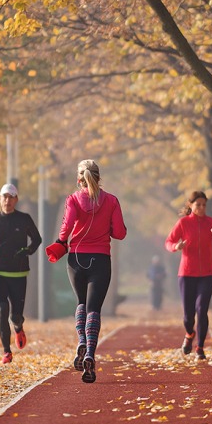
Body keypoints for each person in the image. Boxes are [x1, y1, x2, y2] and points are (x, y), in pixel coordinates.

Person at [49, 159, 127, 383]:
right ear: (98, 177)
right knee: (94, 308)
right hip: (101, 259)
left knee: (81, 302)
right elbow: (120, 233)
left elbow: (67, 227)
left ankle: (81, 339)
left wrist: (60, 241)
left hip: (76, 259)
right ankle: (91, 353)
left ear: (79, 179)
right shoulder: (111, 201)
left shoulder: (73, 199)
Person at [164, 190, 212, 360]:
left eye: (204, 205)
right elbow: (168, 242)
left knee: (202, 310)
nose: (201, 208)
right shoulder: (183, 223)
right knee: (188, 315)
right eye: (198, 205)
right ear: (191, 206)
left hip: (207, 274)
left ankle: (200, 348)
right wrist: (176, 247)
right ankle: (189, 334)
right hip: (186, 274)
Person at [0, 183, 42, 364]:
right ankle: (6, 352)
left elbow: (37, 239)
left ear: (16, 199)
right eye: (4, 197)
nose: (7, 200)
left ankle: (18, 326)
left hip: (18, 272)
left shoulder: (24, 219)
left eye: (11, 197)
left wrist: (28, 250)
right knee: (1, 309)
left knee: (15, 314)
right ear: (0, 199)